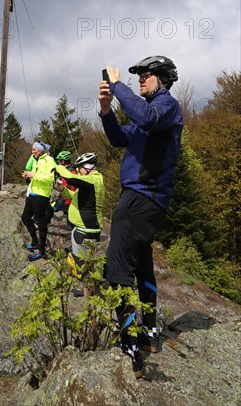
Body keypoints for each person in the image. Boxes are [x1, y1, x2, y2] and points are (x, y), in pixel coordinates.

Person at [98, 55, 183, 378]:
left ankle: (130, 345)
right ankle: (149, 332)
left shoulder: (165, 108)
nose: (141, 80)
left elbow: (145, 117)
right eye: (138, 77)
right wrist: (106, 109)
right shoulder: (151, 116)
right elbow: (120, 137)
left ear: (163, 78)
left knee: (117, 268)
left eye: (147, 75)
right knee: (142, 261)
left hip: (141, 198)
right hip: (146, 200)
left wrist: (118, 85)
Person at [55, 152, 104, 292]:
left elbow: (69, 176)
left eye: (79, 168)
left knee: (78, 264)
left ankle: (83, 291)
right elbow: (74, 196)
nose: (78, 171)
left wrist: (57, 167)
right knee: (87, 263)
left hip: (84, 230)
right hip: (88, 229)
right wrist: (62, 189)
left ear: (87, 167)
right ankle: (90, 289)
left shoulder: (93, 179)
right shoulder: (90, 182)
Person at [21, 142, 56, 261]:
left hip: (41, 195)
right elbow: (36, 176)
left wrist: (33, 174)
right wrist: (28, 176)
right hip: (32, 193)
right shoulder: (38, 160)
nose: (32, 151)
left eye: (34, 149)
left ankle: (41, 250)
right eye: (32, 149)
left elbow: (51, 178)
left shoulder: (49, 160)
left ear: (41, 150)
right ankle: (35, 242)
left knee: (41, 223)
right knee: (25, 218)